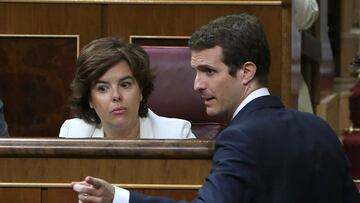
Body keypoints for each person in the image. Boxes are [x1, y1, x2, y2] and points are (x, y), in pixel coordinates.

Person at [72, 14, 360, 203]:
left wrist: (118, 198)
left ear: (246, 72)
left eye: (209, 71)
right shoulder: (319, 128)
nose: (197, 85)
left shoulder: (239, 137)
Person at [59, 37, 195, 139]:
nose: (116, 96)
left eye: (125, 85)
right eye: (102, 88)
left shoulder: (177, 135)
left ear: (141, 90)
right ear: (90, 99)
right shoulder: (73, 133)